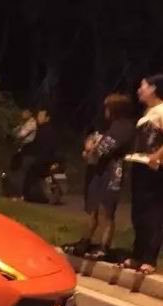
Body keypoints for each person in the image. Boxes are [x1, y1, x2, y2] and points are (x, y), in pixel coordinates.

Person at [65, 94, 135, 259]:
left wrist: (92, 148)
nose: (105, 111)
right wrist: (92, 148)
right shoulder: (113, 126)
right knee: (94, 208)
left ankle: (104, 247)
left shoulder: (123, 128)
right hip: (101, 170)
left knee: (106, 210)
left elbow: (103, 149)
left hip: (112, 173)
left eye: (107, 108)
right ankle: (85, 241)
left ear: (115, 109)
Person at [121, 75, 163, 275]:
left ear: (154, 88)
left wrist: (157, 156)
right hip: (140, 164)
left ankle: (149, 258)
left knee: (153, 212)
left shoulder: (162, 110)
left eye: (143, 86)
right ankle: (137, 254)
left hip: (154, 168)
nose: (139, 90)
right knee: (138, 213)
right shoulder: (149, 111)